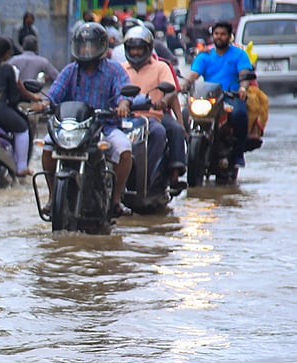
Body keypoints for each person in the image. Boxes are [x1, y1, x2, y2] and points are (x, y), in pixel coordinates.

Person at [31, 23, 134, 217]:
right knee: (46, 147)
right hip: (72, 128)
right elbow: (54, 94)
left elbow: (123, 91)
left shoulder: (114, 70)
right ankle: (53, 197)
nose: (86, 50)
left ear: (101, 46)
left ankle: (116, 200)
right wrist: (43, 104)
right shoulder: (71, 70)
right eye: (82, 45)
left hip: (104, 127)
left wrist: (123, 105)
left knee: (125, 149)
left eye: (91, 45)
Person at [121, 26, 188, 195]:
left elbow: (172, 89)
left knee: (168, 131)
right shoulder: (119, 68)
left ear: (148, 48)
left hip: (153, 116)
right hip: (125, 118)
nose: (136, 53)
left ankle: (164, 175)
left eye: (139, 48)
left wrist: (162, 101)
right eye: (132, 48)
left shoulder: (161, 67)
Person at [181, 21, 252, 170]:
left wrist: (243, 89)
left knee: (240, 114)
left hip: (230, 97)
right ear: (212, 36)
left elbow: (244, 75)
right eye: (216, 34)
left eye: (223, 34)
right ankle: (189, 148)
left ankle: (238, 154)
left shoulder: (239, 54)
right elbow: (194, 74)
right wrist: (184, 84)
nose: (219, 37)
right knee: (185, 113)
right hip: (209, 97)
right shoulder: (205, 55)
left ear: (229, 36)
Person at [0, 37, 40, 177]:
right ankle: (21, 167)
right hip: (0, 110)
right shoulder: (7, 68)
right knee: (23, 128)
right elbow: (14, 97)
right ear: (7, 53)